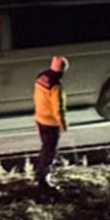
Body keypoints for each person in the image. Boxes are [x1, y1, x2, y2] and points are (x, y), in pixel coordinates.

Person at [33, 55, 69, 191]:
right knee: (49, 151)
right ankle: (43, 180)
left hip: (40, 118)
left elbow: (37, 98)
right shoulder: (56, 85)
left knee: (45, 148)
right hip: (51, 122)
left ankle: (39, 174)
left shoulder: (41, 78)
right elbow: (58, 108)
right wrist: (62, 124)